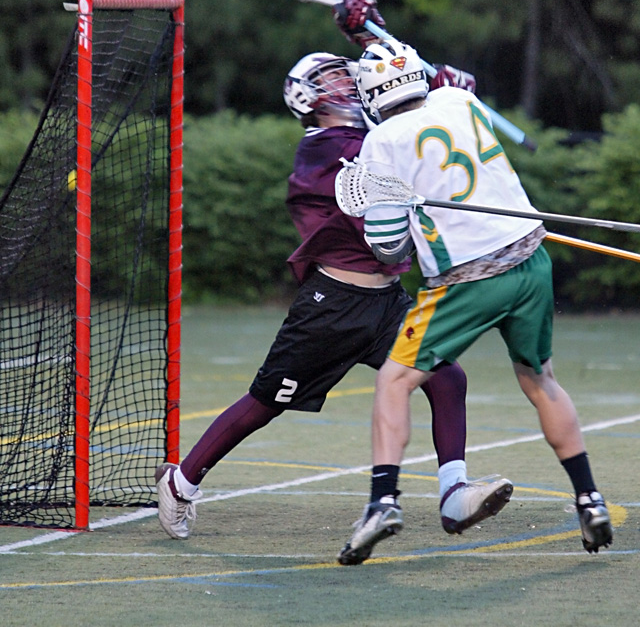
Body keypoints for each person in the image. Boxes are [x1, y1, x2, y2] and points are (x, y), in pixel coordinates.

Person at [155, 36, 511, 548]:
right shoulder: (324, 148)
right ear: (306, 100)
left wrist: (441, 94)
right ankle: (180, 482)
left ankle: (454, 491)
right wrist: (438, 91)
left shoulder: (377, 133)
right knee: (265, 402)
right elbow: (391, 149)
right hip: (334, 307)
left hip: (387, 303)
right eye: (331, 80)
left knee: (446, 377)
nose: (346, 83)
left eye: (349, 75)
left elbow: (406, 136)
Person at [336, 35, 613, 564]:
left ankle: (382, 503)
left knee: (395, 381)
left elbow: (389, 247)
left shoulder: (382, 142)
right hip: (530, 257)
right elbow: (444, 78)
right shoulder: (458, 101)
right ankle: (589, 499)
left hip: (468, 276)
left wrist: (370, 209)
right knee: (540, 379)